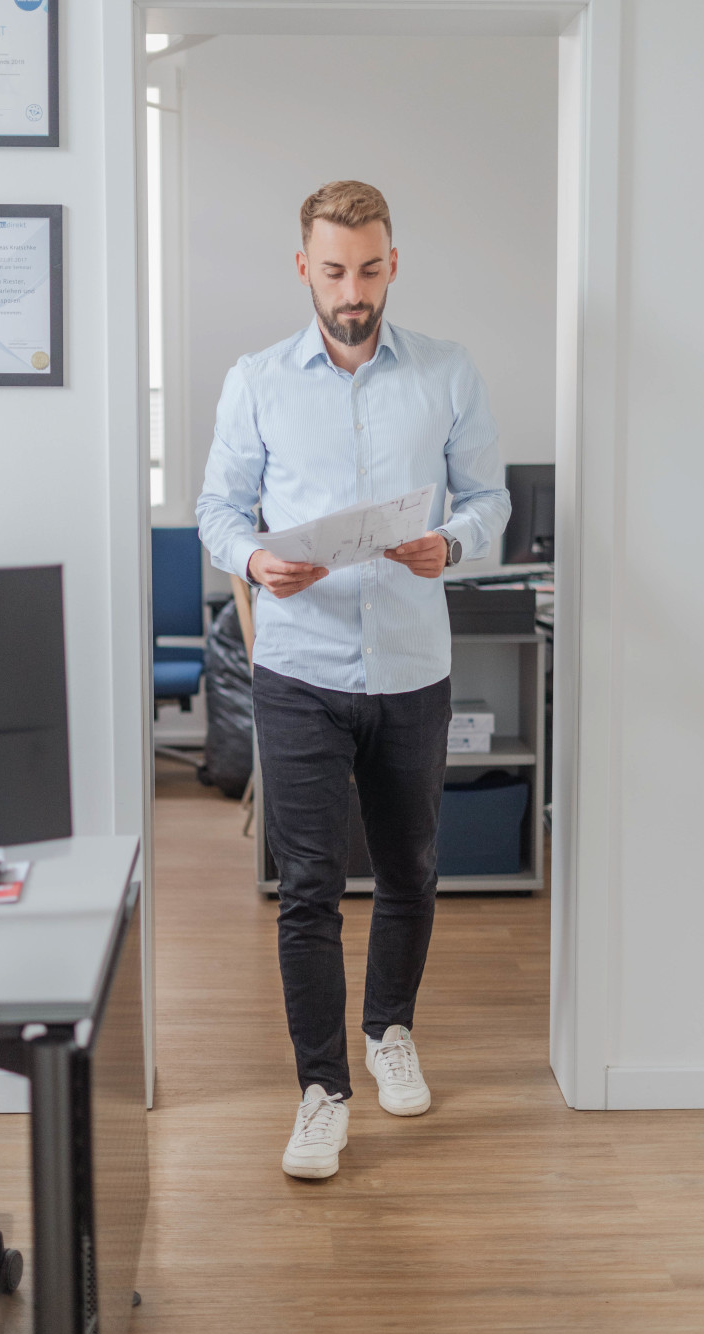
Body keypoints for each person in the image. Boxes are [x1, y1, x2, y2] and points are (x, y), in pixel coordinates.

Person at [196, 180, 510, 1179]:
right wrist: (253, 563)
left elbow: (489, 498)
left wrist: (451, 546)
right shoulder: (255, 380)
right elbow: (217, 511)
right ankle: (322, 1090)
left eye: (370, 268)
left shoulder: (447, 373)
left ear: (392, 263)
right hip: (298, 668)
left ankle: (389, 1032)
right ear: (304, 268)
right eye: (334, 271)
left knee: (412, 871)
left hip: (412, 669)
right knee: (308, 893)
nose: (352, 290)